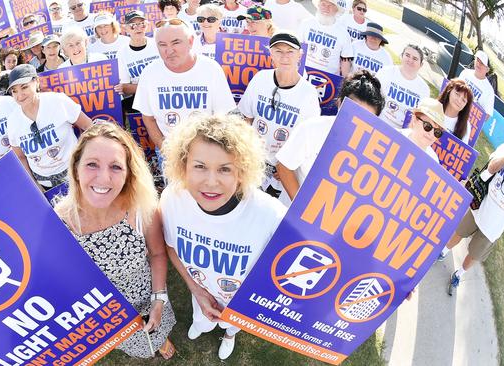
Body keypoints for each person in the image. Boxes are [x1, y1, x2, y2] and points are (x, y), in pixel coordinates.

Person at [160, 114, 286, 360]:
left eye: (225, 169)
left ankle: (230, 334)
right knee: (202, 319)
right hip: (201, 291)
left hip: (242, 304)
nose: (211, 182)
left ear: (242, 172)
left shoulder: (270, 215)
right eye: (199, 166)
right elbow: (170, 246)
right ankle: (202, 324)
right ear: (183, 165)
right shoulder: (172, 200)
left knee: (232, 324)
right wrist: (196, 290)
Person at [55, 123, 176, 359]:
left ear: (128, 173)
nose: (104, 177)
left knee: (156, 329)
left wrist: (158, 298)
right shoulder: (59, 223)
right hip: (105, 314)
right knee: (134, 342)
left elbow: (158, 254)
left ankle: (161, 341)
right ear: (76, 167)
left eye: (116, 167)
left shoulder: (141, 207)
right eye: (92, 164)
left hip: (147, 293)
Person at [238, 32, 320, 204]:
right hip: (254, 161)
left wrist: (289, 165)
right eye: (278, 51)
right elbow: (246, 118)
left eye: (290, 51)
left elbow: (309, 139)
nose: (284, 57)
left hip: (282, 171)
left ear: (300, 55)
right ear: (271, 54)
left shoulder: (308, 94)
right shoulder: (261, 78)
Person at [276, 70, 385, 200]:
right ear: (339, 103)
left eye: (365, 118)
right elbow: (283, 166)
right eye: (352, 112)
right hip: (293, 212)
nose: (356, 122)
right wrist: (300, 209)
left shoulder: (376, 152)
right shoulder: (312, 128)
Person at [441, 129, 504, 295]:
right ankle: (443, 252)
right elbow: (491, 168)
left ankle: (459, 274)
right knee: (459, 232)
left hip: (494, 226)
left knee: (474, 254)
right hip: (480, 207)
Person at [133, 18, 236, 149]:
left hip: (205, 148)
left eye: (175, 43)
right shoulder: (149, 73)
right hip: (169, 151)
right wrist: (163, 147)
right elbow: (148, 118)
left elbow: (222, 116)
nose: (169, 51)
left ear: (191, 41)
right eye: (162, 45)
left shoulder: (211, 69)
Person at [7, 64, 93, 188]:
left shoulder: (57, 101)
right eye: (14, 91)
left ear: (36, 82)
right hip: (44, 184)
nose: (20, 95)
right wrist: (35, 186)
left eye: (24, 87)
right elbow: (20, 157)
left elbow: (88, 126)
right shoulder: (12, 121)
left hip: (76, 173)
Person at [376, 44, 430, 129]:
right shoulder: (386, 72)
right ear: (401, 56)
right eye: (407, 55)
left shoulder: (424, 89)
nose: (410, 60)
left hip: (401, 133)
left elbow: (419, 118)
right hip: (377, 121)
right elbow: (371, 97)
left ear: (421, 64)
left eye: (415, 59)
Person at [115, 11, 161, 106]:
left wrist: (135, 87)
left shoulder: (158, 44)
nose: (138, 28)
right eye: (133, 25)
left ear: (147, 25)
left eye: (142, 24)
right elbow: (125, 88)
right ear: (125, 28)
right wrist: (153, 86)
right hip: (139, 100)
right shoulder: (122, 53)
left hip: (161, 95)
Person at [298, 0, 353, 76]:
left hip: (330, 79)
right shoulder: (306, 24)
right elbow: (298, 49)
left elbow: (345, 60)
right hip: (304, 73)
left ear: (336, 10)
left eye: (330, 5)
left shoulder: (343, 33)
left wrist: (345, 81)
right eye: (323, 4)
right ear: (318, 6)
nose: (326, 8)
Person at [402, 97, 444, 161]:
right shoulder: (393, 136)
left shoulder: (433, 160)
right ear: (414, 119)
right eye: (428, 126)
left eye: (437, 132)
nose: (431, 134)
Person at [459, 50, 495, 117]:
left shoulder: (489, 91)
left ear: (487, 69)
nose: (478, 64)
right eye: (477, 60)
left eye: (482, 63)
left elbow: (486, 116)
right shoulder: (465, 73)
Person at [438, 79, 474, 144]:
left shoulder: (466, 126)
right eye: (457, 94)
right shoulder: (433, 107)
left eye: (463, 100)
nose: (459, 101)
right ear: (449, 91)